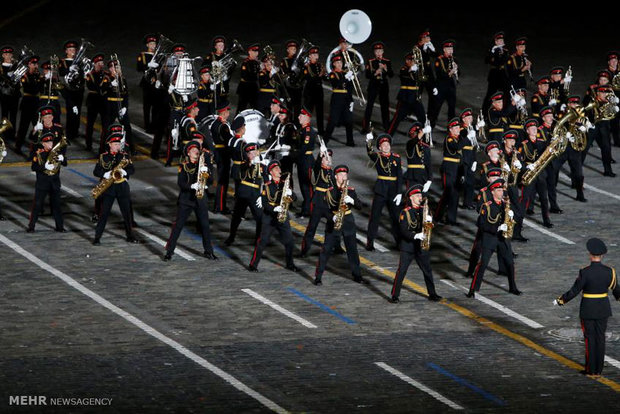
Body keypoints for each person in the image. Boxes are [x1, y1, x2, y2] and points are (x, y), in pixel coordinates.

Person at [554, 238, 620, 377]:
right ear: (602, 256)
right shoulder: (610, 272)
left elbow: (575, 290)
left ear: (590, 255)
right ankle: (599, 369)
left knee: (589, 338)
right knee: (600, 338)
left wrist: (561, 300)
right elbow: (616, 290)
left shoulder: (585, 272)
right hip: (603, 308)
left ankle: (591, 369)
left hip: (588, 309)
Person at [467, 178, 521, 297]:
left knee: (510, 263)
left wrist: (512, 216)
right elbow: (481, 224)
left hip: (503, 239)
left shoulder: (505, 204)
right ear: (493, 192)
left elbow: (518, 215)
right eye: (499, 190)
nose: (502, 192)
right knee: (483, 264)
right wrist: (497, 228)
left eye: (502, 190)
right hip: (490, 238)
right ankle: (473, 289)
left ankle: (513, 287)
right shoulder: (487, 206)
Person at [164, 141, 217, 261]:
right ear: (188, 153)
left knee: (205, 226)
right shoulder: (183, 166)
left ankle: (208, 251)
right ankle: (169, 251)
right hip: (186, 199)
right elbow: (181, 183)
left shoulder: (203, 164)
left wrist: (207, 176)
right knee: (178, 226)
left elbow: (210, 180)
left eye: (197, 151)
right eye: (194, 151)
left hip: (200, 199)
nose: (196, 152)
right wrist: (191, 186)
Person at [313, 164, 366, 285]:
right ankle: (318, 276)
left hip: (347, 221)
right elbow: (323, 209)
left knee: (352, 250)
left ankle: (357, 275)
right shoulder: (330, 191)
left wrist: (351, 200)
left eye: (345, 174)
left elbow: (359, 206)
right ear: (336, 176)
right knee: (326, 249)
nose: (343, 177)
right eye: (341, 175)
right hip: (334, 221)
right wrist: (332, 217)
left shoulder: (351, 191)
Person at [389, 184, 442, 303]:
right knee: (402, 270)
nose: (420, 197)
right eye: (417, 195)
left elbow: (432, 224)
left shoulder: (425, 209)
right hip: (408, 247)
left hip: (421, 246)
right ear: (411, 197)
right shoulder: (405, 212)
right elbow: (402, 231)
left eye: (420, 195)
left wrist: (430, 220)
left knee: (427, 270)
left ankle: (432, 293)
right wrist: (415, 235)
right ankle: (394, 295)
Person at [249, 160, 298, 272]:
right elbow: (265, 203)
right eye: (276, 169)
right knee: (262, 241)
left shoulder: (284, 183)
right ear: (271, 172)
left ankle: (290, 264)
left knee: (289, 241)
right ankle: (253, 264)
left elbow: (294, 198)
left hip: (283, 215)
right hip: (269, 217)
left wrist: (291, 194)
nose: (279, 171)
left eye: (279, 169)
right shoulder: (267, 186)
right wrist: (274, 208)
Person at [92, 132, 139, 245]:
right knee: (104, 214)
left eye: (119, 144)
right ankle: (97, 237)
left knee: (126, 214)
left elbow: (132, 169)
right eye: (115, 144)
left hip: (122, 187)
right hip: (109, 188)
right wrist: (105, 174)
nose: (118, 146)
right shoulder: (103, 156)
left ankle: (130, 236)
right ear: (109, 144)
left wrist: (125, 172)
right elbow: (96, 171)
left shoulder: (124, 155)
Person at [365, 132, 402, 250]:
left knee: (395, 217)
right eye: (383, 145)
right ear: (380, 148)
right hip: (381, 189)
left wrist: (400, 192)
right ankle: (370, 242)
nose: (386, 146)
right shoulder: (378, 157)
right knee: (375, 216)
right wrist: (368, 142)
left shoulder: (396, 158)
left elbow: (400, 175)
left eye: (387, 144)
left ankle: (399, 242)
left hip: (393, 191)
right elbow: (370, 153)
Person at [224, 141, 265, 246]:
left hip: (255, 195)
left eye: (255, 152)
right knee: (236, 216)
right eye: (251, 153)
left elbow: (266, 179)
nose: (253, 154)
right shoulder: (243, 164)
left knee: (260, 218)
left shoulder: (262, 164)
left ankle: (258, 239)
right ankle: (231, 236)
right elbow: (240, 175)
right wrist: (251, 164)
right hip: (243, 194)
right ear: (247, 155)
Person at [26, 132, 67, 233]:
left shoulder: (57, 152)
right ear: (43, 144)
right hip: (42, 183)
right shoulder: (39, 153)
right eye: (48, 142)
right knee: (37, 205)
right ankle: (31, 226)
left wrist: (63, 159)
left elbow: (65, 163)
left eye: (51, 142)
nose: (50, 144)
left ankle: (60, 227)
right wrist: (44, 166)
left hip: (55, 183)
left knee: (57, 205)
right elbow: (34, 167)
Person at [387, 52, 427, 137]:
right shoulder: (403, 69)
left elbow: (423, 80)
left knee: (423, 118)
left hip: (415, 98)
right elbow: (407, 75)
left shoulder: (417, 70)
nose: (413, 62)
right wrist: (412, 70)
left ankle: (424, 138)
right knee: (397, 119)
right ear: (407, 61)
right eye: (411, 60)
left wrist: (418, 71)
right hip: (405, 98)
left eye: (414, 60)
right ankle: (388, 137)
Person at [362, 41, 393, 132]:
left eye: (380, 51)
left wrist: (385, 69)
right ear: (374, 53)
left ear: (383, 51)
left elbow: (391, 75)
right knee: (369, 106)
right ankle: (365, 126)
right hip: (374, 85)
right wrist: (376, 72)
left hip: (383, 85)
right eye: (376, 51)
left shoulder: (387, 61)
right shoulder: (370, 62)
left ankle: (386, 126)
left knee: (385, 106)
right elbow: (367, 76)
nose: (378, 53)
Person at [324, 55, 354, 146]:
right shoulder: (332, 74)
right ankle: (325, 141)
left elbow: (349, 88)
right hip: (337, 98)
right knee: (333, 121)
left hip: (346, 98)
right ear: (333, 64)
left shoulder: (344, 73)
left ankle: (350, 141)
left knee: (349, 120)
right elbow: (337, 84)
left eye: (340, 62)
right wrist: (346, 78)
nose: (339, 64)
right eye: (337, 63)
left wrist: (351, 100)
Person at [429, 40, 459, 128]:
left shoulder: (454, 59)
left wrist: (456, 70)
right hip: (441, 88)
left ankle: (451, 129)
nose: (450, 50)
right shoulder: (439, 60)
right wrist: (451, 72)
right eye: (448, 48)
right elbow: (441, 75)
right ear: (444, 50)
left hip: (451, 88)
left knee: (452, 109)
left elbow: (459, 73)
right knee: (436, 109)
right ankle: (430, 129)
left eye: (451, 48)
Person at [295, 107, 316, 218]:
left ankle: (309, 210)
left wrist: (294, 154)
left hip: (306, 160)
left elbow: (304, 147)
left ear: (307, 118)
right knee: (303, 186)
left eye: (301, 116)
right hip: (302, 159)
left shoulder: (308, 131)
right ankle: (306, 208)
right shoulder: (302, 129)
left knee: (307, 187)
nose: (299, 117)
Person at [302, 46, 326, 135]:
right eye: (313, 54)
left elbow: (324, 78)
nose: (316, 56)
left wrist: (326, 75)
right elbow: (309, 77)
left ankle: (321, 131)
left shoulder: (320, 66)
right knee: (308, 112)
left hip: (319, 91)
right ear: (310, 56)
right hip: (310, 91)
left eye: (316, 54)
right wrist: (320, 75)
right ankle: (305, 129)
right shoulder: (307, 67)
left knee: (320, 112)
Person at [85, 53, 107, 152]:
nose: (100, 64)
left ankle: (103, 145)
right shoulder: (89, 75)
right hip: (93, 101)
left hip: (103, 102)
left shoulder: (106, 74)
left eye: (101, 62)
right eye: (98, 63)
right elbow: (93, 87)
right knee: (90, 124)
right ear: (94, 64)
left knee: (105, 125)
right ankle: (88, 144)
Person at [236, 43, 260, 113]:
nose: (256, 53)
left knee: (255, 108)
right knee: (241, 108)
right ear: (249, 52)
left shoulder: (257, 62)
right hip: (245, 87)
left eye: (257, 51)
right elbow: (246, 76)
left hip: (253, 87)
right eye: (254, 51)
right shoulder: (246, 63)